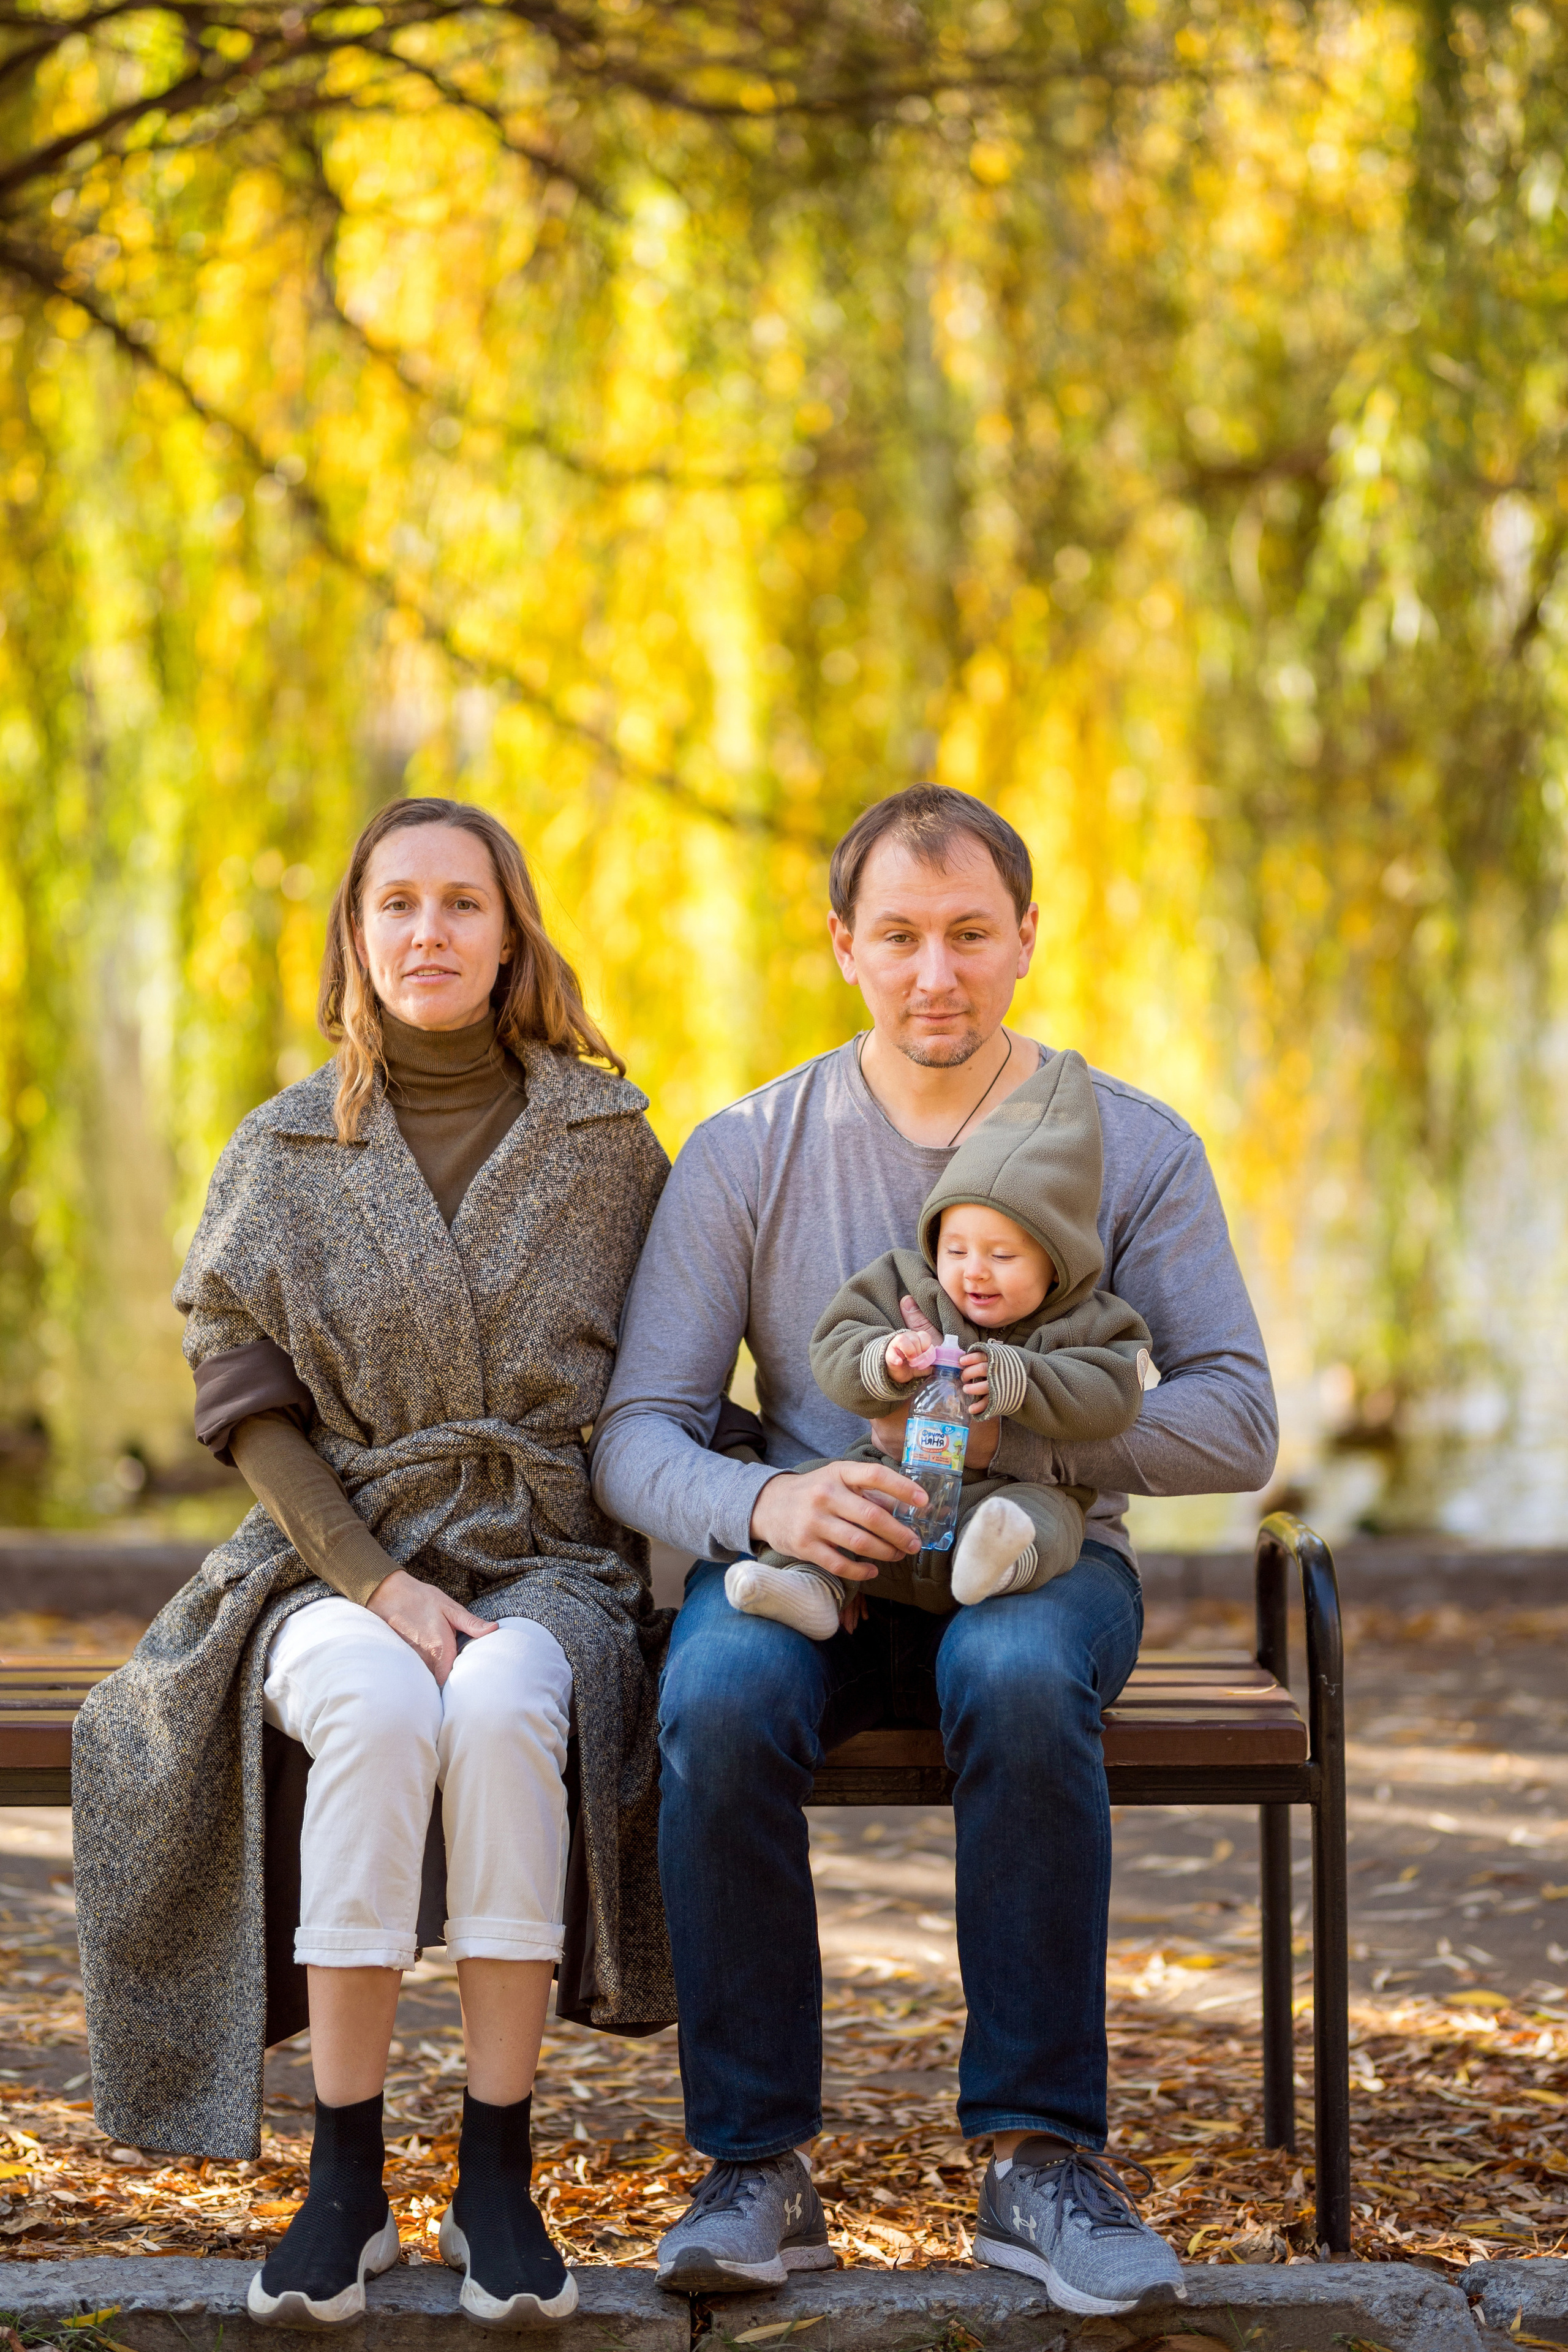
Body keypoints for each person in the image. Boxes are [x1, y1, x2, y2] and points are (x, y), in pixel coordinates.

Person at [592, 784, 1278, 2318]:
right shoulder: (747, 1148)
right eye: (897, 936)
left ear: (1025, 938)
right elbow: (637, 1432)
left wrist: (1012, 1431)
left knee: (1025, 1671)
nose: (934, 973)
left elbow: (1236, 1421)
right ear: (843, 945)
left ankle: (1040, 2157)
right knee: (711, 1692)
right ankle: (751, 2164)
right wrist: (767, 1506)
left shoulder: (1129, 1144)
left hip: (1028, 1560)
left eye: (969, 933)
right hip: (808, 1562)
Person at [74, 797, 673, 2331]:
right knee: (382, 1704)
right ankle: (342, 2179)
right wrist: (372, 1579)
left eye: (460, 904)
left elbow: (671, 1366)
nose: (428, 933)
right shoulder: (283, 1146)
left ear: (509, 930)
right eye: (395, 904)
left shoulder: (607, 1143)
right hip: (320, 1557)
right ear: (354, 935)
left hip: (548, 1553)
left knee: (500, 1705)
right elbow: (240, 1394)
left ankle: (494, 2170)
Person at [729, 1046, 1156, 1638]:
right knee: (840, 1496)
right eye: (956, 1250)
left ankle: (998, 1568)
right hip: (896, 1479)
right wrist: (881, 1362)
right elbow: (834, 1343)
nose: (974, 1272)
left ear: (1059, 1261)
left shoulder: (1095, 1321)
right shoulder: (907, 1285)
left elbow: (1114, 1395)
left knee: (1048, 1520)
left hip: (1011, 1492)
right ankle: (811, 1585)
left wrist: (1022, 1381)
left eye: (1002, 1256)